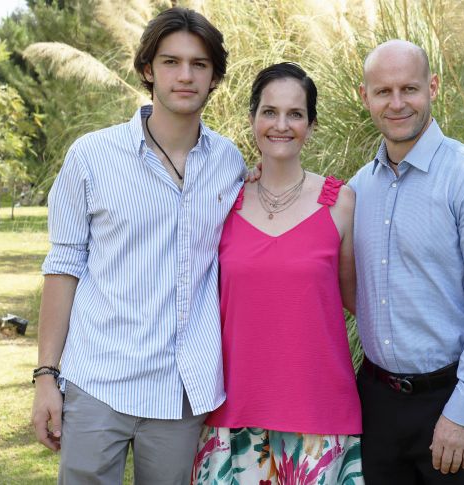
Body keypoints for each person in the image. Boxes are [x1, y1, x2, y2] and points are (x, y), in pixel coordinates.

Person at [30, 7, 247, 483]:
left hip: (183, 391)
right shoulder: (92, 156)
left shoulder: (229, 162)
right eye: (170, 62)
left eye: (199, 64)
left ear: (215, 77)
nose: (185, 75)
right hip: (98, 381)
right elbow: (63, 265)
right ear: (148, 69)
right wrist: (46, 375)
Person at [348, 39, 464, 484]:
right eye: (383, 91)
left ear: (434, 87)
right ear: (364, 96)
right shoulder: (357, 190)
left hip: (452, 399)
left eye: (410, 88)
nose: (397, 103)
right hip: (376, 403)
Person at [190, 62, 363, 484]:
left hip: (319, 417)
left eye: (295, 114)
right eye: (269, 112)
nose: (281, 125)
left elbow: (355, 299)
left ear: (311, 124)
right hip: (233, 412)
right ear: (252, 119)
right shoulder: (223, 199)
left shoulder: (340, 202)